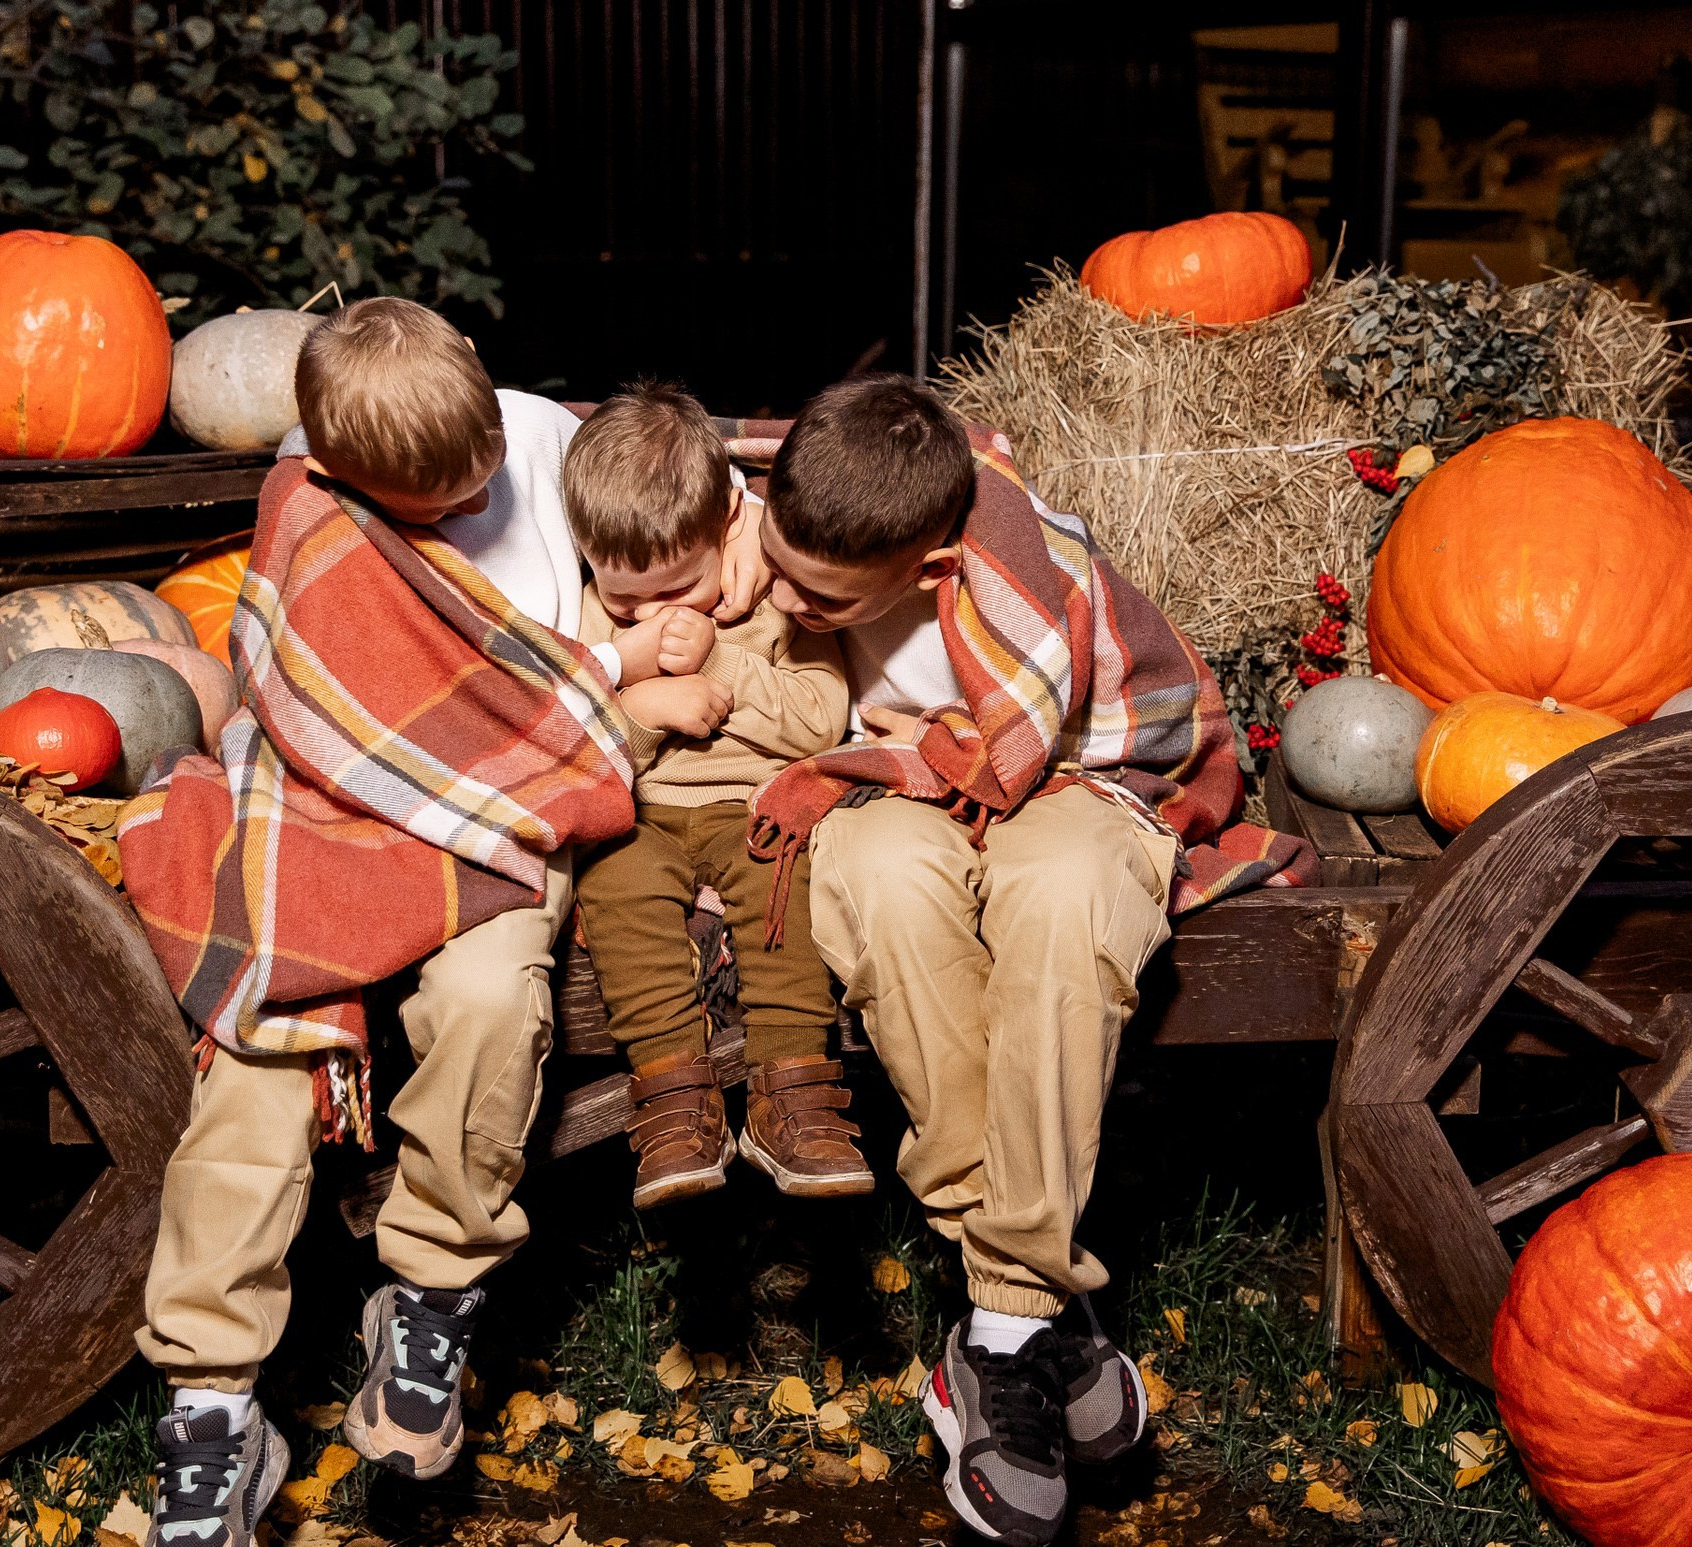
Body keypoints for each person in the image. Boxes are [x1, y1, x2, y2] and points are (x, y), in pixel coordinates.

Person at [121, 301, 766, 1547]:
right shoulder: (310, 509)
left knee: (490, 1001)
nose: (468, 495)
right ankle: (212, 1405)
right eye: (425, 496)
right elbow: (329, 680)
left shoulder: (533, 438)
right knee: (263, 1057)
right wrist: (627, 682)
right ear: (334, 461)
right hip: (328, 802)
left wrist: (740, 542)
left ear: (482, 381)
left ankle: (429, 1292)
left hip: (504, 811)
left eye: (472, 471)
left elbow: (661, 498)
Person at [750, 376, 1311, 1547]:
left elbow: (1024, 744)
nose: (782, 596)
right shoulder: (809, 496)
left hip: (1070, 774)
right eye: (777, 559)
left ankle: (993, 1329)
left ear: (928, 573)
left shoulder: (1018, 565)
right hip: (894, 794)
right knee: (890, 890)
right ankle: (1036, 1316)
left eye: (819, 595)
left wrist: (911, 751)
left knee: (1065, 896)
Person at [561, 385, 870, 1210]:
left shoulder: (773, 599)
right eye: (624, 597)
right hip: (643, 813)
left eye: (676, 590)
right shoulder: (592, 618)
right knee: (614, 882)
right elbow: (568, 746)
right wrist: (640, 707)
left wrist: (723, 666)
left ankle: (793, 1090)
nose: (649, 616)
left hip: (749, 805)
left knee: (784, 878)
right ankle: (671, 1097)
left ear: (725, 526)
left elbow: (820, 720)